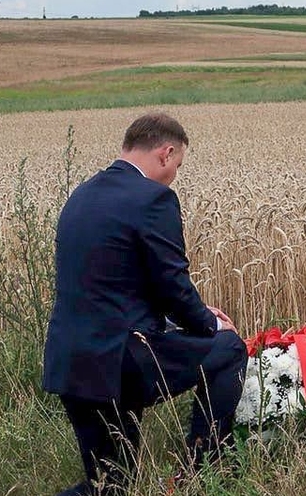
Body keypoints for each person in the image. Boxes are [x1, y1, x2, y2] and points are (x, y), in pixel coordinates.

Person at [42, 113, 246, 496]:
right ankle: (205, 471)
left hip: (70, 362)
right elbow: (172, 284)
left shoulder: (81, 195)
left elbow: (114, 284)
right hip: (120, 361)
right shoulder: (153, 198)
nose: (174, 176)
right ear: (166, 153)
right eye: (177, 166)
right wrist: (210, 324)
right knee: (229, 349)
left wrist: (182, 319)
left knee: (111, 488)